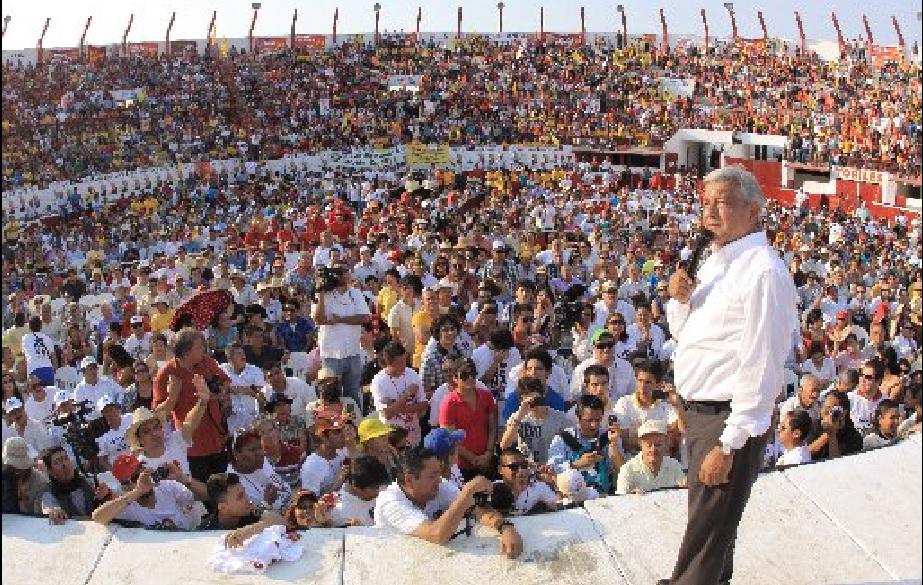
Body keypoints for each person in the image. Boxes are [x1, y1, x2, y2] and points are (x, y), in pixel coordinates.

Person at [659, 167, 799, 585]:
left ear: (753, 211)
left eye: (722, 202)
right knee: (714, 534)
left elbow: (761, 367)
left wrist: (729, 443)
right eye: (706, 201)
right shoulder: (717, 260)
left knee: (704, 540)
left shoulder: (762, 272)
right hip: (702, 415)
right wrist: (679, 301)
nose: (710, 211)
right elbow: (687, 335)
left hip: (726, 420)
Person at [374, 446, 523, 558]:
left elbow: (476, 509)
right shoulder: (390, 501)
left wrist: (505, 528)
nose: (439, 480)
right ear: (409, 480)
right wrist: (467, 491)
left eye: (439, 473)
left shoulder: (439, 485)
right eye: (432, 475)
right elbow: (437, 535)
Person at [152, 328, 232, 482]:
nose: (204, 349)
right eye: (200, 347)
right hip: (193, 448)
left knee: (224, 488)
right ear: (186, 352)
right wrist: (172, 396)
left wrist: (221, 392)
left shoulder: (206, 361)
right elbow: (159, 415)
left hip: (217, 438)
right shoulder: (166, 374)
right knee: (202, 494)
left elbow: (226, 381)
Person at [312, 263, 372, 409]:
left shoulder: (355, 293)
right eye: (337, 272)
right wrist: (320, 292)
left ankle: (355, 424)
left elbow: (365, 317)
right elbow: (318, 319)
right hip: (331, 353)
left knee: (353, 393)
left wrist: (339, 319)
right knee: (330, 393)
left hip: (352, 351)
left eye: (345, 271)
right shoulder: (324, 294)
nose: (342, 274)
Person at [92, 453, 204, 530]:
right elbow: (98, 518)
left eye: (142, 471)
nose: (142, 478)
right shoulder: (128, 505)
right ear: (125, 487)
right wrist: (138, 491)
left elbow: (206, 496)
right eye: (136, 477)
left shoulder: (167, 487)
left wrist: (182, 478)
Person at [547, 394, 625, 495]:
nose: (594, 425)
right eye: (589, 420)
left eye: (598, 420)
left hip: (604, 496)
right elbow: (551, 470)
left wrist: (613, 445)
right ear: (578, 418)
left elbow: (622, 470)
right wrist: (577, 464)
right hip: (571, 498)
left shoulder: (609, 436)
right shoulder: (562, 439)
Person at [438, 357, 497, 479]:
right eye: (464, 375)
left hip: (486, 461)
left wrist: (488, 453)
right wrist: (473, 459)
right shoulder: (449, 403)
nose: (470, 378)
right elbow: (450, 438)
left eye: (473, 374)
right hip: (461, 466)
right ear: (455, 378)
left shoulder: (486, 396)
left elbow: (492, 427)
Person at [199, 472, 286, 549]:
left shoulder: (250, 515)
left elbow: (282, 522)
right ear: (223, 507)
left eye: (245, 493)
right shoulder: (205, 532)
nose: (248, 499)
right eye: (240, 497)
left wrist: (250, 530)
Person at [499, 377, 571, 464]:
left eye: (537, 400)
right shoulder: (517, 418)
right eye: (529, 401)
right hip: (526, 469)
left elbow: (571, 448)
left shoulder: (560, 418)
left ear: (543, 397)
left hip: (550, 467)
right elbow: (504, 446)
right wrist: (520, 416)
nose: (533, 404)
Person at [369, 342, 428, 447]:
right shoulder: (378, 381)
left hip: (413, 434)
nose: (404, 365)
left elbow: (424, 404)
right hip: (392, 437)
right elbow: (386, 414)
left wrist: (399, 407)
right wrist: (407, 395)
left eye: (404, 360)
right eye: (399, 362)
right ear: (388, 362)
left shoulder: (412, 374)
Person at [39, 446, 112, 524]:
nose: (64, 464)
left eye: (66, 458)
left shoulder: (88, 480)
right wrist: (54, 511)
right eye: (57, 462)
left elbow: (110, 502)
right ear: (50, 471)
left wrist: (107, 494)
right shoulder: (49, 492)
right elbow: (49, 509)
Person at [227, 428, 292, 512]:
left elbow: (285, 489)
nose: (260, 453)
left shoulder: (263, 463)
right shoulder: (232, 482)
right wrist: (267, 503)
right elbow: (248, 520)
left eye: (260, 448)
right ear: (236, 454)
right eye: (252, 450)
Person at [616, 419, 686, 495]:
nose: (653, 450)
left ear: (666, 444)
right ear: (640, 444)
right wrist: (630, 497)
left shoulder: (675, 466)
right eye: (648, 445)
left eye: (658, 445)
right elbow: (620, 500)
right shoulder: (627, 470)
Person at [327, 455, 392, 527]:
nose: (379, 491)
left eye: (380, 486)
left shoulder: (386, 490)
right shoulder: (336, 511)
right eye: (375, 488)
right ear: (356, 487)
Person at [494, 448, 559, 516]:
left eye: (524, 466)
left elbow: (559, 507)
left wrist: (543, 507)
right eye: (514, 466)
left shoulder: (540, 488)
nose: (521, 471)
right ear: (500, 470)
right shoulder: (491, 490)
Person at [300, 417, 354, 497]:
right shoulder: (311, 467)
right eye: (337, 432)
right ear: (323, 437)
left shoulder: (343, 450)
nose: (343, 435)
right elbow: (311, 504)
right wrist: (338, 483)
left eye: (343, 430)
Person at [809, 390, 864, 461]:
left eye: (834, 409)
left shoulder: (853, 436)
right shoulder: (813, 426)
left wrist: (832, 433)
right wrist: (827, 434)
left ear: (844, 413)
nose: (829, 412)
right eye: (826, 407)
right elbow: (804, 454)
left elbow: (837, 465)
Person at [1, 436, 50, 515]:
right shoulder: (4, 475)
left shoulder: (41, 483)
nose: (15, 470)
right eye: (11, 466)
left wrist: (21, 498)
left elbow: (39, 517)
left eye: (18, 468)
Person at [21, 316, 58, 387]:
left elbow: (25, 358)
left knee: (36, 396)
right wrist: (54, 372)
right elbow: (54, 359)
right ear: (41, 326)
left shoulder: (25, 338)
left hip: (34, 370)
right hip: (48, 370)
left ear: (29, 326)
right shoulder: (47, 338)